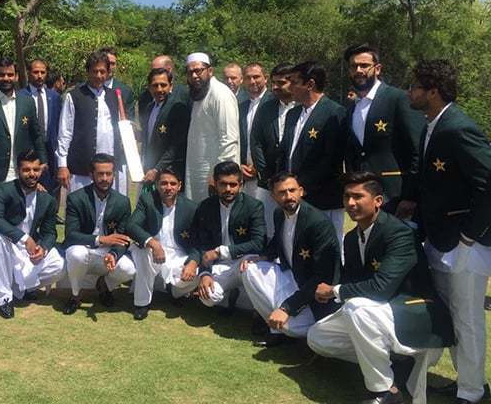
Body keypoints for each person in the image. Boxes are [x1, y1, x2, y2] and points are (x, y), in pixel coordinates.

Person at [308, 171, 454, 404]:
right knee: (317, 336)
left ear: (378, 201)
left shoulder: (400, 233)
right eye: (346, 197)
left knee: (356, 308)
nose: (350, 203)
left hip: (415, 315)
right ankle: (396, 361)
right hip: (379, 314)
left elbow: (381, 287)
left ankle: (385, 391)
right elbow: (355, 281)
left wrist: (334, 291)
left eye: (358, 196)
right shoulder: (350, 238)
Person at [408, 60, 491, 404]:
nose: (409, 92)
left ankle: (473, 391)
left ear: (434, 91)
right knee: (450, 316)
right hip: (441, 239)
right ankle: (465, 382)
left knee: (468, 320)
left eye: (414, 87)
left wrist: (469, 236)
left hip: (464, 245)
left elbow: (488, 182)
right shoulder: (431, 124)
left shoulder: (458, 127)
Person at [240, 172, 339, 347]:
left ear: (301, 191)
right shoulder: (279, 214)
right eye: (282, 192)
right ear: (273, 196)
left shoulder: (317, 223)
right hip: (292, 276)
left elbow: (323, 275)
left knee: (289, 326)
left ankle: (295, 328)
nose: (288, 197)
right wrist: (263, 256)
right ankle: (275, 328)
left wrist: (287, 307)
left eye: (292, 190)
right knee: (249, 268)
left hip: (314, 291)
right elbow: (278, 241)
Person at [342, 44, 424, 215]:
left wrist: (411, 196)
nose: (358, 70)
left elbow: (418, 149)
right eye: (353, 66)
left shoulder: (398, 99)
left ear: (377, 68)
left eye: (364, 65)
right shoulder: (351, 107)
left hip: (396, 196)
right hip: (364, 201)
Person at [0, 150, 65, 319]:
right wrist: (24, 238)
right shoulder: (4, 190)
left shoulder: (47, 199)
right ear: (18, 170)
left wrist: (42, 248)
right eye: (26, 170)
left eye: (36, 170)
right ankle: (4, 298)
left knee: (59, 264)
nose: (31, 174)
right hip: (7, 247)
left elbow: (50, 232)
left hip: (29, 253)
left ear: (41, 171)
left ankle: (24, 288)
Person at [280, 61, 346, 242]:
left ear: (310, 84)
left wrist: (303, 186)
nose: (289, 87)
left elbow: (331, 158)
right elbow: (286, 152)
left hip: (324, 198)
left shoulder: (334, 112)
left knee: (327, 247)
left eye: (294, 82)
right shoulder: (293, 114)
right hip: (297, 197)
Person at [62, 153, 135, 315]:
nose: (104, 178)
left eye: (108, 174)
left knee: (128, 269)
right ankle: (75, 295)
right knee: (76, 253)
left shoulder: (123, 202)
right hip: (85, 247)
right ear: (91, 175)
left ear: (114, 175)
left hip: (107, 252)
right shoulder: (76, 198)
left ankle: (104, 285)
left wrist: (115, 255)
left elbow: (123, 239)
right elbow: (71, 235)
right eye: (100, 174)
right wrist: (101, 239)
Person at [127, 167, 200, 320]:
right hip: (151, 249)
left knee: (197, 274)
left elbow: (198, 242)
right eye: (164, 183)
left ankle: (174, 293)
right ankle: (142, 303)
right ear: (157, 184)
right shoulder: (147, 199)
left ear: (179, 186)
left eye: (173, 184)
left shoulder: (190, 207)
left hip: (177, 253)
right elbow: (132, 226)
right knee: (144, 254)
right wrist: (153, 243)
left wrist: (193, 262)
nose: (168, 188)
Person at [195, 161, 266, 310]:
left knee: (250, 269)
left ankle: (259, 315)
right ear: (215, 183)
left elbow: (259, 243)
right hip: (219, 264)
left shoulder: (254, 206)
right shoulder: (206, 206)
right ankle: (229, 295)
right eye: (223, 184)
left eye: (233, 185)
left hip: (245, 262)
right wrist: (205, 273)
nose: (228, 189)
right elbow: (201, 244)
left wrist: (221, 251)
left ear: (241, 184)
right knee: (207, 296)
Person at [57, 52, 127, 193]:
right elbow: (65, 132)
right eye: (95, 71)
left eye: (102, 71)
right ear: (88, 72)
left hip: (109, 167)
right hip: (82, 168)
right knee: (81, 208)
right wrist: (62, 165)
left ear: (108, 73)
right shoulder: (74, 96)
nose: (99, 75)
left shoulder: (114, 96)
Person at [0, 57, 46, 183]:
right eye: (2, 75)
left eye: (10, 74)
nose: (6, 78)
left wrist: (43, 160)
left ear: (16, 76)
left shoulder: (27, 102)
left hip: (24, 172)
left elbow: (36, 135)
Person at [184, 52, 240, 203]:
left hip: (215, 176)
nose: (195, 76)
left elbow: (229, 139)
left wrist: (220, 176)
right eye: (190, 72)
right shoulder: (198, 94)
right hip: (197, 170)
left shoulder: (220, 94)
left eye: (199, 70)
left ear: (210, 71)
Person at [249, 63, 296, 238]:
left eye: (281, 83)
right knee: (268, 226)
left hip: (296, 180)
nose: (275, 87)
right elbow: (256, 142)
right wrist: (266, 175)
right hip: (268, 181)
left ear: (293, 82)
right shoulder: (266, 108)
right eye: (273, 83)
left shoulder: (302, 108)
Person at [137, 68, 190, 188]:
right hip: (148, 171)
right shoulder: (149, 108)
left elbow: (176, 146)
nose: (159, 89)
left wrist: (157, 169)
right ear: (149, 87)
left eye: (163, 85)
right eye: (155, 85)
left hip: (168, 175)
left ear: (170, 86)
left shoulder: (177, 108)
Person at [18, 59, 61, 193]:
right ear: (29, 73)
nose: (39, 75)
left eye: (43, 72)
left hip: (51, 149)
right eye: (36, 72)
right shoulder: (20, 96)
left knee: (52, 189)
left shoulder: (54, 96)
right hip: (29, 149)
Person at [238, 63, 271, 199]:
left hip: (268, 175)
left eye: (256, 77)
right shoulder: (240, 106)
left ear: (266, 78)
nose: (252, 81)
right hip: (245, 175)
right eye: (248, 78)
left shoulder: (274, 103)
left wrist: (260, 168)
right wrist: (239, 165)